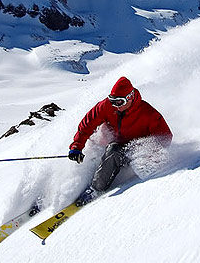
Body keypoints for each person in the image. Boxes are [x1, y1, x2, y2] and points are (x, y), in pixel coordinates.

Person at [68, 76, 172, 205]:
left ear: (130, 97)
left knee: (113, 152)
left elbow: (165, 136)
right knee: (104, 148)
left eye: (119, 102)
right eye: (113, 100)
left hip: (134, 150)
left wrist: (151, 154)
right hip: (111, 145)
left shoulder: (147, 113)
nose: (115, 105)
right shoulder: (106, 106)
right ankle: (90, 180)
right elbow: (87, 124)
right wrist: (76, 147)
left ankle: (96, 189)